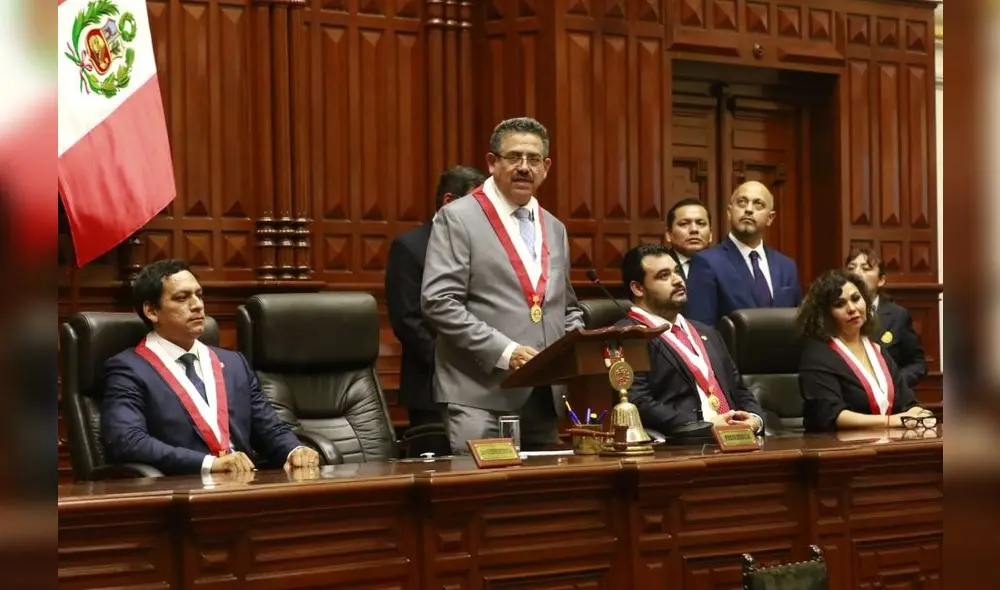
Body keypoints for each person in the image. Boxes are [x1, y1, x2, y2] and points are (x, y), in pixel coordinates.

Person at [421, 117, 584, 453]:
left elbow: (565, 306)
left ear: (546, 167)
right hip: (481, 395)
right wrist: (506, 352)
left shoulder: (555, 227)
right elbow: (439, 302)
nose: (524, 167)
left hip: (543, 395)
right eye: (514, 158)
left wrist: (573, 343)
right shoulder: (458, 218)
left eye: (533, 159)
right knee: (484, 500)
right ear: (492, 163)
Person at [101, 259, 320, 475]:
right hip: (183, 488)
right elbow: (127, 441)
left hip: (244, 485)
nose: (197, 305)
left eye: (199, 294)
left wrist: (295, 450)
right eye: (182, 298)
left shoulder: (234, 364)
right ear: (151, 311)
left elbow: (269, 428)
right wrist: (209, 464)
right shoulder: (129, 369)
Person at [614, 244, 764, 435]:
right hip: (683, 447)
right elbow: (639, 403)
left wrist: (755, 419)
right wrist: (704, 424)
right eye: (663, 276)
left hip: (739, 440)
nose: (677, 280)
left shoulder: (707, 331)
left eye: (677, 271)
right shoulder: (628, 335)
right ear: (637, 288)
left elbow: (738, 389)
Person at [386, 166, 486, 429]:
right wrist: (454, 363)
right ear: (449, 202)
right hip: (430, 383)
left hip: (482, 383)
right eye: (476, 204)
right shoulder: (409, 247)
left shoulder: (483, 246)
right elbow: (407, 321)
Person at [797, 269, 930, 431]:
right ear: (825, 314)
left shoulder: (877, 351)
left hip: (887, 442)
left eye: (856, 298)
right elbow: (830, 415)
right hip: (840, 447)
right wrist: (890, 421)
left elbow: (907, 403)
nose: (852, 308)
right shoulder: (817, 356)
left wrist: (918, 414)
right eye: (840, 304)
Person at [684, 181, 802, 326]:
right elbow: (701, 328)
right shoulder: (706, 262)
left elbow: (799, 324)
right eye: (742, 202)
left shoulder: (786, 266)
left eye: (758, 204)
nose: (749, 209)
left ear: (770, 218)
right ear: (729, 212)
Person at [845, 247, 928, 388]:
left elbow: (917, 364)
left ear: (881, 280)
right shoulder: (836, 313)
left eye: (866, 269)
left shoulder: (898, 316)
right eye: (851, 268)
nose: (857, 274)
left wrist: (894, 384)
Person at [664, 197, 713, 281]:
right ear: (669, 234)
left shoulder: (724, 266)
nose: (694, 229)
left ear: (711, 234)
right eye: (684, 224)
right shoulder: (657, 267)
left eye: (700, 223)